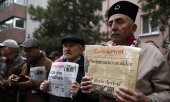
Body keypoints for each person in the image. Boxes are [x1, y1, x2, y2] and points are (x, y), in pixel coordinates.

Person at [80, 1, 170, 102]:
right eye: (110, 24)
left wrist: (147, 100)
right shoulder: (100, 53)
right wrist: (87, 89)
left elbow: (167, 93)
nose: (113, 27)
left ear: (133, 28)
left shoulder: (152, 55)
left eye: (119, 21)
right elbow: (96, 94)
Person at [39, 35, 94, 102]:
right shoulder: (55, 66)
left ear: (81, 49)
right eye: (65, 46)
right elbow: (48, 95)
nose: (67, 49)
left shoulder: (89, 69)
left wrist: (78, 93)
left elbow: (93, 97)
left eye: (71, 45)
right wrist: (44, 89)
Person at [8, 38, 52, 102]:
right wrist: (16, 79)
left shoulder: (49, 64)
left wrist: (33, 83)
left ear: (38, 48)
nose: (26, 53)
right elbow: (24, 81)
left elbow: (52, 87)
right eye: (25, 51)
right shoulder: (26, 65)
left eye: (29, 50)